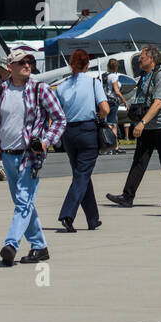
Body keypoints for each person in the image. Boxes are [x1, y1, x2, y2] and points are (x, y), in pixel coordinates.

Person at [0, 48, 67, 265]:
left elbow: (59, 119)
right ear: (10, 67)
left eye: (29, 61)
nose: (27, 65)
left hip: (31, 155)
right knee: (23, 202)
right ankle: (39, 246)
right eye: (22, 62)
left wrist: (45, 141)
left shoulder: (40, 89)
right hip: (7, 155)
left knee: (23, 201)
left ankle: (11, 245)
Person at [109, 44, 161, 209]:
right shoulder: (145, 76)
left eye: (141, 58)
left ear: (151, 59)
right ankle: (127, 197)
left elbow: (158, 103)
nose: (139, 61)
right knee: (139, 162)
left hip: (160, 126)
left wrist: (141, 123)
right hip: (147, 126)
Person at [54, 48, 109, 232]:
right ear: (87, 65)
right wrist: (99, 118)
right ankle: (67, 214)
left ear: (71, 65)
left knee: (81, 174)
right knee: (82, 175)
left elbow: (55, 112)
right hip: (87, 131)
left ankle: (93, 218)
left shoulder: (61, 86)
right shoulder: (93, 83)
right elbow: (105, 108)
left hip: (69, 133)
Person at [101, 58, 128, 149]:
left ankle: (108, 144)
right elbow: (116, 91)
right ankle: (114, 146)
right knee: (113, 124)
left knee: (108, 122)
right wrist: (124, 101)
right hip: (113, 101)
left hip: (105, 100)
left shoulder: (104, 75)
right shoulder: (114, 76)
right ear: (116, 67)